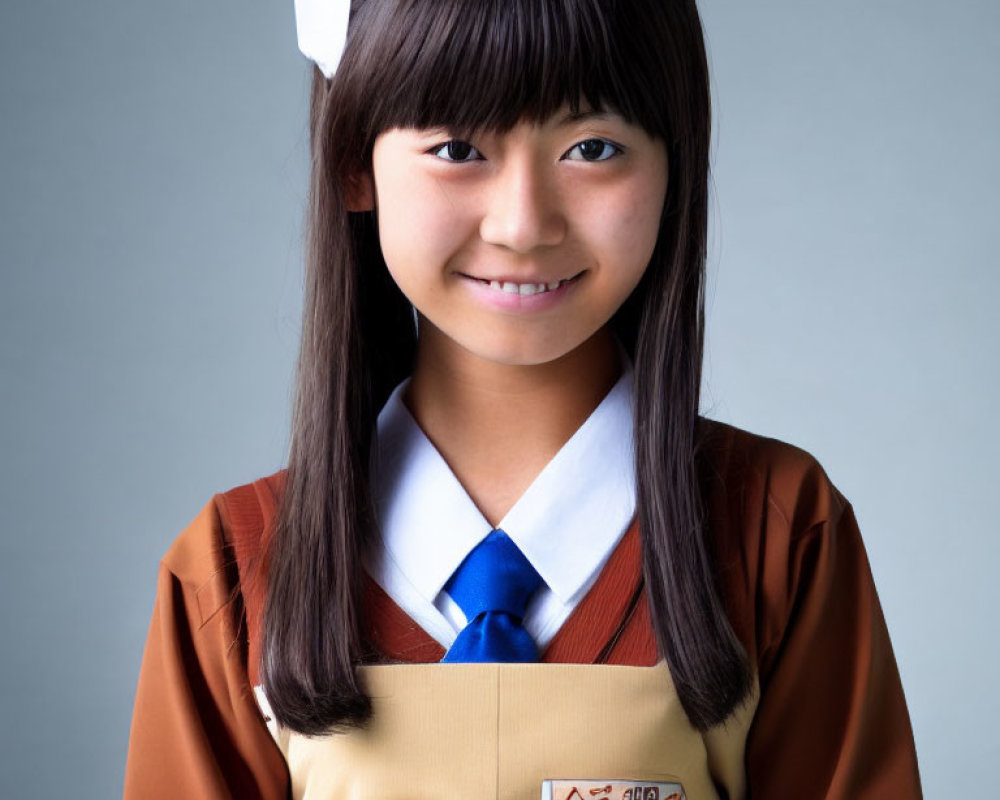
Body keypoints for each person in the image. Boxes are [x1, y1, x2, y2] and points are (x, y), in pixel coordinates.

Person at [123, 1, 923, 798]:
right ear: (352, 164)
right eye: (458, 148)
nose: (523, 224)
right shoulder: (231, 570)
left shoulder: (778, 529)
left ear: (676, 164)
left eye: (593, 148)